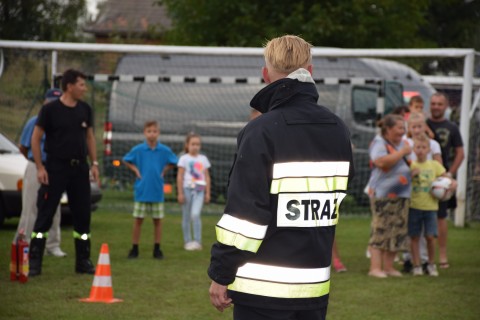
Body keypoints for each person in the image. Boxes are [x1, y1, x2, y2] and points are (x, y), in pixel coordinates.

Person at [208, 35, 354, 320]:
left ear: (266, 74)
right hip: (313, 288)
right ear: (310, 73)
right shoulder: (338, 129)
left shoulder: (261, 130)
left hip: (261, 290)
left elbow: (244, 215)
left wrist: (221, 273)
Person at [29, 69, 100, 276]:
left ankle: (83, 260)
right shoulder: (50, 111)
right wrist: (40, 167)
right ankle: (34, 261)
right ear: (69, 86)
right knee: (45, 214)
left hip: (79, 169)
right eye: (81, 85)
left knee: (82, 216)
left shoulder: (85, 109)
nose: (84, 89)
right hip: (55, 168)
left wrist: (94, 163)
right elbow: (35, 139)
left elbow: (89, 138)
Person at [13, 88, 66, 257]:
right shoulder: (34, 122)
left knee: (55, 207)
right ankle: (23, 242)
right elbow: (23, 147)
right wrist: (37, 163)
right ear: (45, 103)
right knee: (30, 208)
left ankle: (52, 244)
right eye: (50, 102)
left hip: (55, 168)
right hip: (35, 166)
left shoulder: (62, 123)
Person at [123, 120, 177, 259]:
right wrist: (135, 169)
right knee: (138, 220)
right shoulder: (138, 149)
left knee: (157, 221)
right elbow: (126, 160)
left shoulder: (164, 150)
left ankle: (157, 249)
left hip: (157, 191)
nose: (151, 134)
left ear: (158, 133)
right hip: (141, 190)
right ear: (144, 133)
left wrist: (164, 170)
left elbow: (174, 161)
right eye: (149, 131)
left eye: (154, 131)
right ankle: (134, 248)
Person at [366, 114, 411, 278]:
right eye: (400, 128)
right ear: (388, 129)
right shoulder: (379, 143)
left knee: (397, 230)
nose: (403, 131)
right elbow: (381, 162)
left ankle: (389, 267)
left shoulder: (403, 144)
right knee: (381, 229)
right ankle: (375, 268)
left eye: (404, 128)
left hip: (402, 194)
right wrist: (402, 153)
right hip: (382, 194)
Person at [409, 134, 456, 277]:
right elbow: (404, 181)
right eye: (418, 147)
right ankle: (416, 265)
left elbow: (447, 178)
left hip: (431, 208)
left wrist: (447, 184)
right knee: (414, 237)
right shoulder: (411, 165)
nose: (421, 150)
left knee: (430, 237)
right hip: (414, 206)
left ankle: (430, 264)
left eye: (424, 147)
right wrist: (411, 174)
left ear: (429, 149)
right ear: (414, 149)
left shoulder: (434, 165)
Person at [426, 92, 464, 269]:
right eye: (433, 103)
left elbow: (460, 153)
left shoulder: (452, 127)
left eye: (439, 104)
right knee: (419, 216)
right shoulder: (423, 125)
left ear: (446, 106)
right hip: (422, 178)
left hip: (441, 179)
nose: (435, 107)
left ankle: (442, 255)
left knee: (441, 217)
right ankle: (416, 255)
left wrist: (450, 174)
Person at [402, 112, 443, 273]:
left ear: (425, 127)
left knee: (429, 234)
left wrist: (442, 183)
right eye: (414, 127)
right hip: (412, 196)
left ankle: (427, 261)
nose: (417, 130)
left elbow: (439, 167)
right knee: (412, 232)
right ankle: (410, 260)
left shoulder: (432, 144)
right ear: (409, 128)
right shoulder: (406, 144)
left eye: (420, 126)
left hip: (428, 196)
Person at [176, 132, 211, 251]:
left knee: (195, 214)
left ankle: (197, 241)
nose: (195, 146)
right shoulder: (183, 159)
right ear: (187, 145)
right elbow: (180, 176)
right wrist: (180, 193)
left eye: (198, 144)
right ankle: (187, 241)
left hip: (199, 190)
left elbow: (207, 177)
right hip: (186, 190)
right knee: (186, 216)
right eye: (193, 144)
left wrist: (207, 193)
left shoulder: (203, 159)